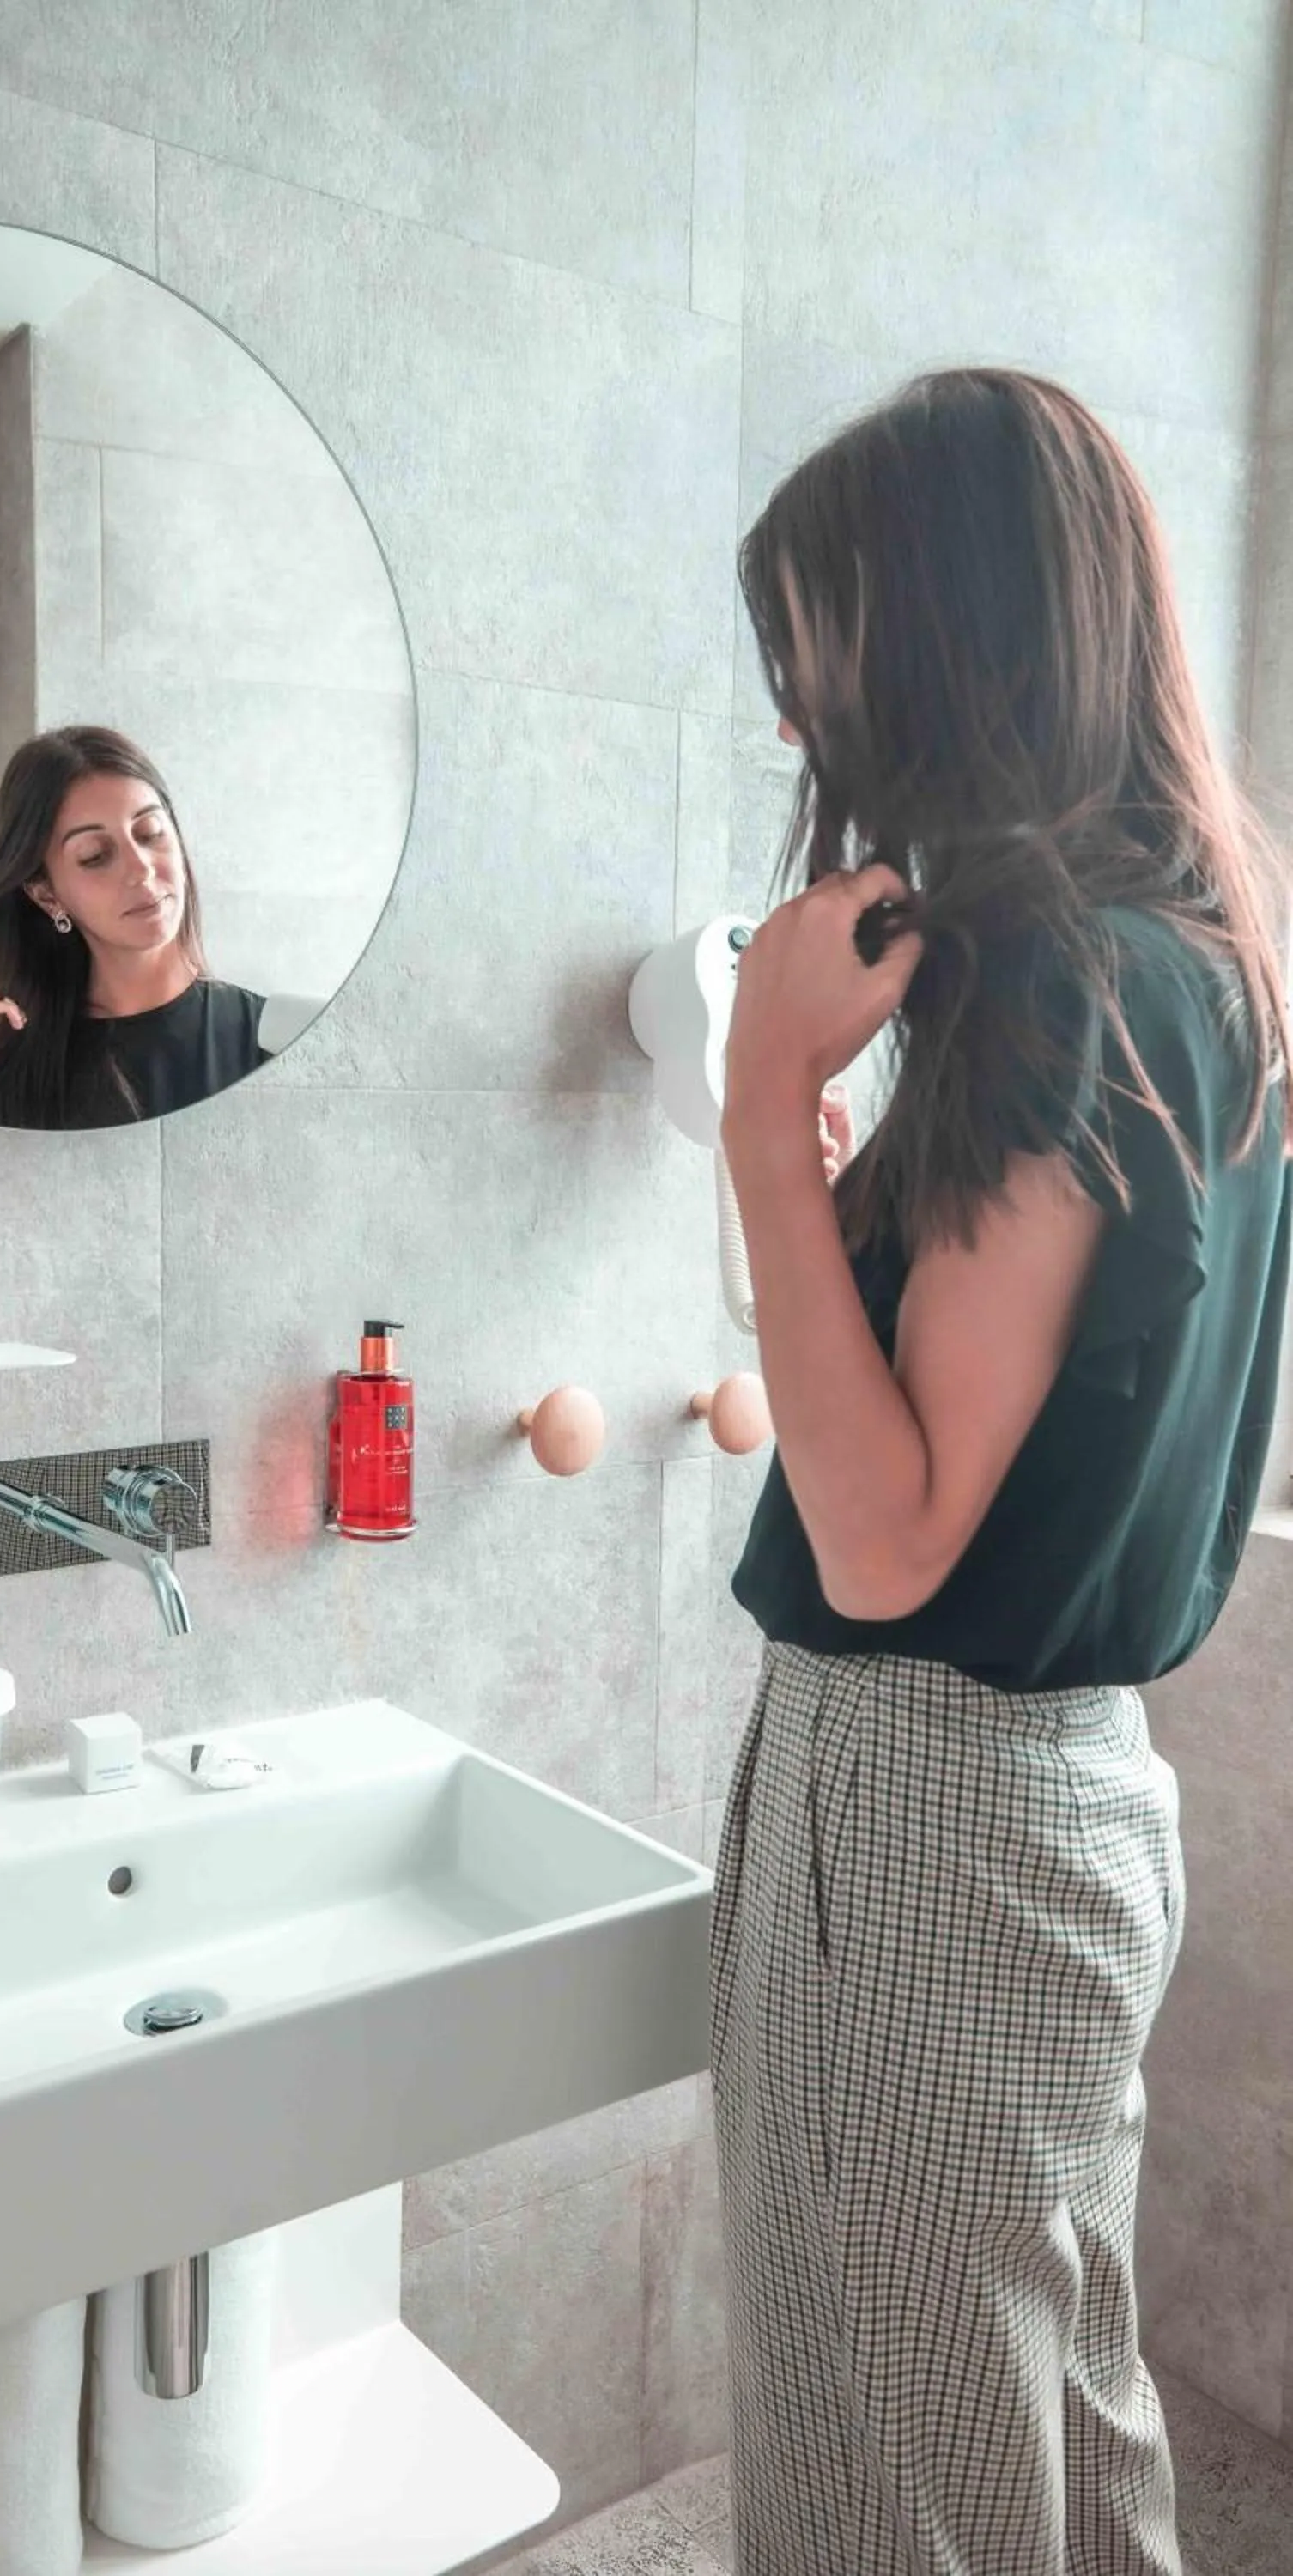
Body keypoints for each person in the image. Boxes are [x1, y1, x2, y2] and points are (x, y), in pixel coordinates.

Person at [714, 366, 1290, 2574]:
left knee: (901, 2477)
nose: (796, 722)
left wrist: (771, 1117)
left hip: (931, 1794)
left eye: (818, 657)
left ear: (936, 647)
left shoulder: (1054, 985)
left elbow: (883, 1538)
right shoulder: (1213, 959)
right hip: (1063, 1790)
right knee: (1043, 2403)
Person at [0, 726, 269, 1127]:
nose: (141, 869)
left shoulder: (267, 1037)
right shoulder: (8, 1064)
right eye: (96, 856)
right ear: (47, 894)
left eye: (150, 833)